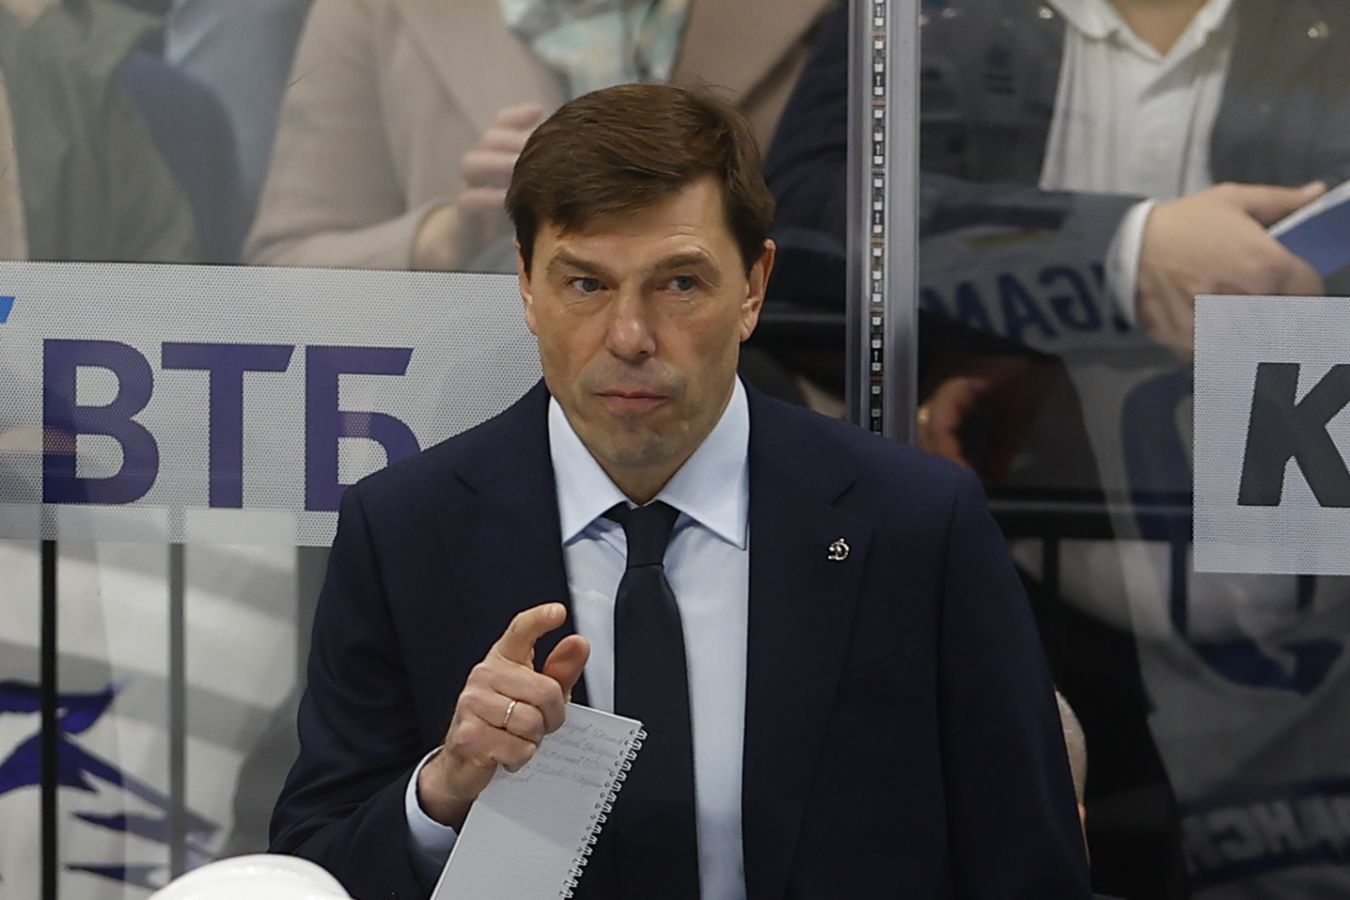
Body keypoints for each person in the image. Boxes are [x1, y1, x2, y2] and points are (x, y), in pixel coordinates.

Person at [269, 84, 1091, 899]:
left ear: (754, 287)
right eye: (585, 284)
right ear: (524, 283)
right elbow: (313, 866)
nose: (630, 337)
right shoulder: (404, 531)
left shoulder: (918, 524)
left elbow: (1029, 868)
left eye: (680, 284)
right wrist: (441, 794)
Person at [244, 0, 837, 272]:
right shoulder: (374, 10)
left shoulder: (840, 16)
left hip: (744, 414)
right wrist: (446, 237)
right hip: (463, 412)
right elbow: (283, 276)